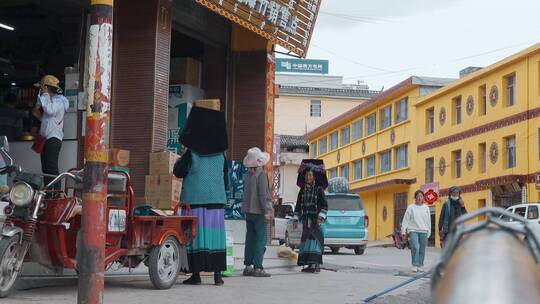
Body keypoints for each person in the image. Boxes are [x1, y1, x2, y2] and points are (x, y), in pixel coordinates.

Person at [173, 104, 229, 286]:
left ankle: (195, 275)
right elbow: (225, 178)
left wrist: (183, 155)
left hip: (195, 202)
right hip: (217, 202)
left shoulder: (192, 154)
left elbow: (178, 172)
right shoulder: (221, 155)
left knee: (195, 237)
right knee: (215, 237)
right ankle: (218, 276)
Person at [241, 147, 273, 278]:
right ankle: (258, 267)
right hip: (260, 212)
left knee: (250, 239)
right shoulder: (261, 174)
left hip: (249, 211)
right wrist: (267, 211)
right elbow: (262, 195)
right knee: (260, 240)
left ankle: (248, 266)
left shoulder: (248, 175)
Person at [33, 75, 69, 192]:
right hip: (46, 139)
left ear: (46, 87)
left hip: (53, 139)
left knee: (51, 167)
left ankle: (56, 193)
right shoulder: (50, 101)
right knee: (46, 168)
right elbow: (44, 118)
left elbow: (49, 110)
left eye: (42, 88)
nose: (40, 90)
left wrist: (44, 95)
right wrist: (37, 107)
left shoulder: (59, 101)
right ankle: (48, 193)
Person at [294, 159, 328, 273]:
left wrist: (320, 217)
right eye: (307, 175)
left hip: (316, 221)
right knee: (306, 242)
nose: (308, 177)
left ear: (314, 177)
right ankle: (309, 264)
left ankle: (315, 265)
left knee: (315, 242)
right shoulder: (302, 190)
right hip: (306, 221)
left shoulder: (319, 190)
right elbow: (298, 205)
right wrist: (295, 218)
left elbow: (324, 205)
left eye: (310, 175)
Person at [401, 190, 431, 273]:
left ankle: (420, 265)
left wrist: (429, 231)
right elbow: (406, 219)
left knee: (422, 248)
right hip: (413, 230)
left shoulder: (426, 208)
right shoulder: (411, 207)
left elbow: (428, 220)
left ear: (423, 197)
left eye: (421, 196)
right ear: (415, 197)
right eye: (418, 196)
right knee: (415, 247)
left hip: (424, 230)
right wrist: (403, 231)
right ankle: (415, 264)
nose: (419, 198)